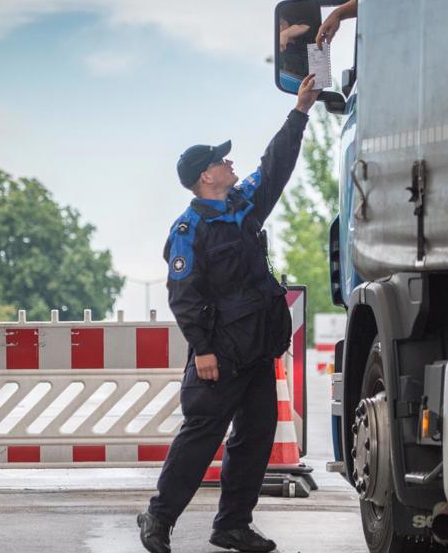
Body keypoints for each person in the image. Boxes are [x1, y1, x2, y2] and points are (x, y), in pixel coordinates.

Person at [137, 75, 321, 553]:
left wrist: (299, 112)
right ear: (206, 176)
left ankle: (232, 526)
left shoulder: (243, 206)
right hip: (220, 353)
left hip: (257, 351)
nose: (230, 162)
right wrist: (203, 349)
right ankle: (157, 519)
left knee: (255, 438)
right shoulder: (189, 228)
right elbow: (184, 294)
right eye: (221, 159)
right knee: (201, 439)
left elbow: (274, 165)